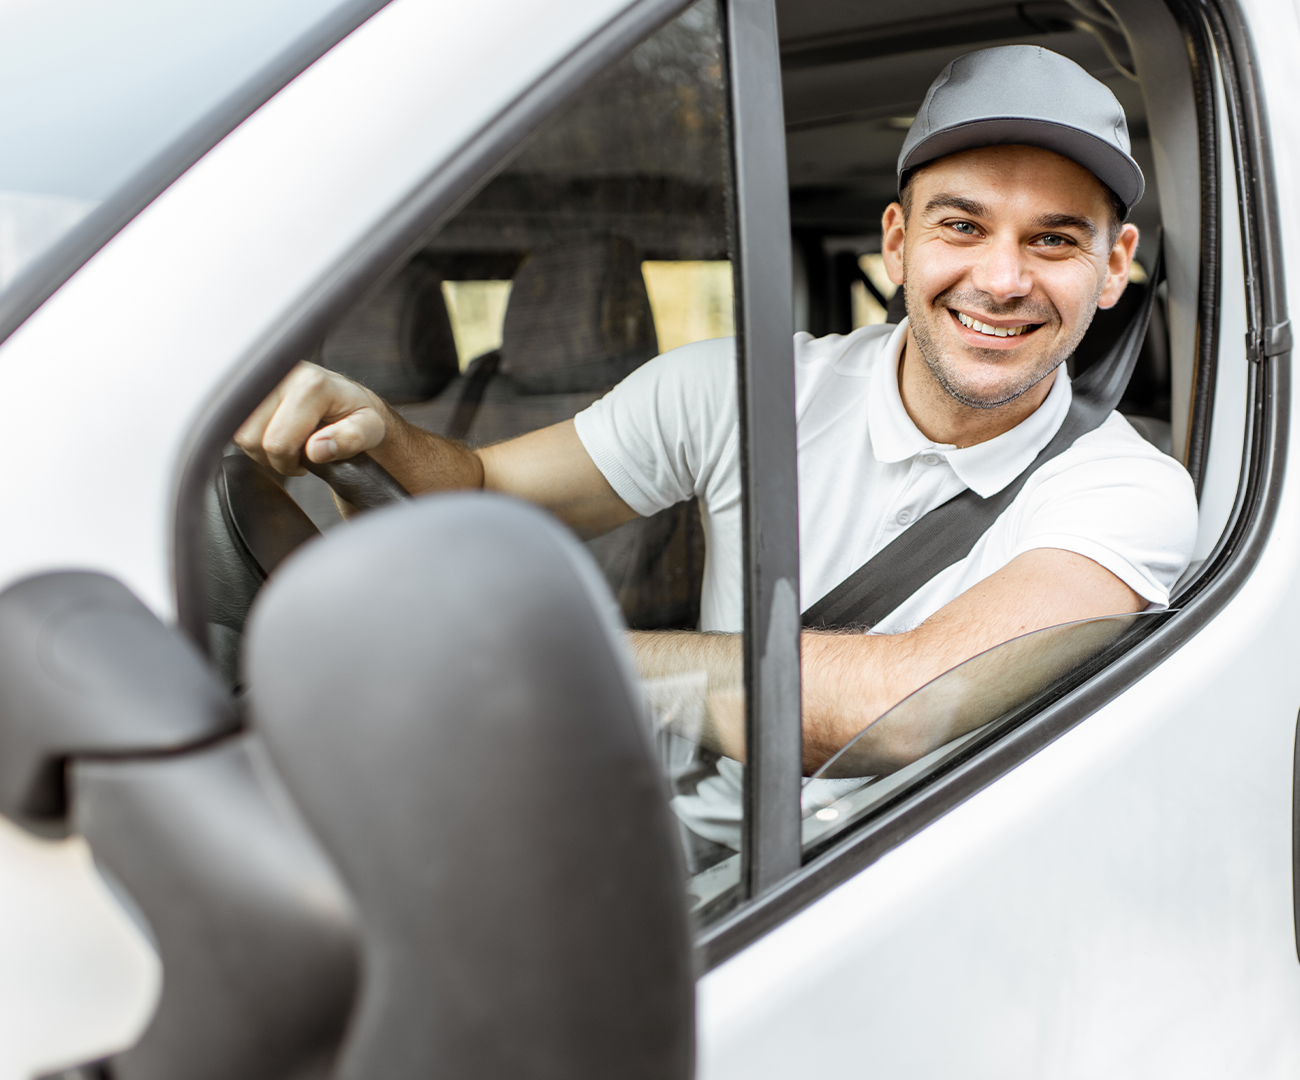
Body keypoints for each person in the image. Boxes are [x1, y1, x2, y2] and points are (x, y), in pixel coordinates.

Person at [235, 45, 1198, 854]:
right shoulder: (738, 390)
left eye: (1054, 241)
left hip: (907, 870)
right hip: (698, 848)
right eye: (963, 226)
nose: (1000, 278)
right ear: (897, 242)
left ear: (1114, 269)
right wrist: (376, 434)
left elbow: (906, 707)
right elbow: (483, 487)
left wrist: (550, 650)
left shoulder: (1127, 491)